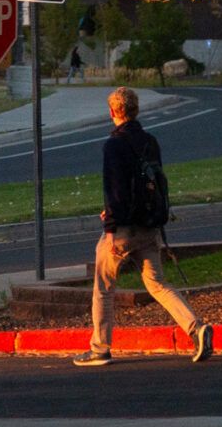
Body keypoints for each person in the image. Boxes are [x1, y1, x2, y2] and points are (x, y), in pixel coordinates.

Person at [76, 85, 212, 366]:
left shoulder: (113, 145)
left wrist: (111, 223)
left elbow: (115, 189)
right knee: (158, 284)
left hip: (123, 230)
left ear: (113, 111)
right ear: (136, 110)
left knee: (103, 287)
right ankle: (196, 329)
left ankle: (99, 348)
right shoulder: (150, 141)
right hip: (149, 227)